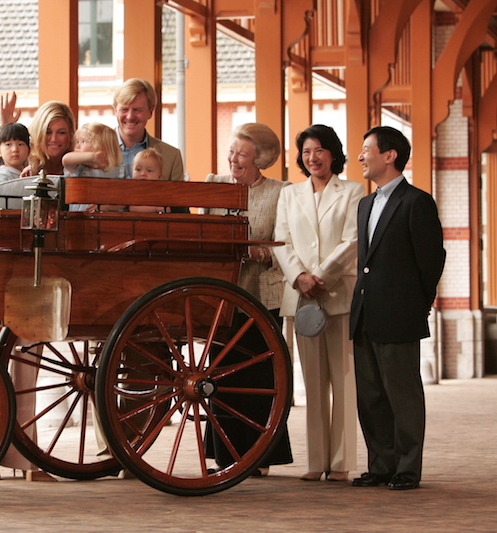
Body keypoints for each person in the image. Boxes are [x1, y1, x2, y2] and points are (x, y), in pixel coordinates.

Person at [350, 125, 445, 491]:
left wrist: (417, 305)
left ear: (389, 156)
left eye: (366, 149)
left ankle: (407, 469)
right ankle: (381, 466)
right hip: (365, 314)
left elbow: (431, 260)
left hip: (399, 314)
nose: (361, 157)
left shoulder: (417, 202)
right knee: (370, 396)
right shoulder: (365, 204)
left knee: (402, 395)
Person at [273, 124, 364, 482]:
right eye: (307, 152)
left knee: (343, 380)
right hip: (301, 298)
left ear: (333, 154)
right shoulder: (290, 194)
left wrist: (321, 276)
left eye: (320, 151)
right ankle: (315, 462)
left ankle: (341, 462)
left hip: (339, 295)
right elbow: (281, 241)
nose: (313, 158)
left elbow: (353, 241)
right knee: (312, 383)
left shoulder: (353, 191)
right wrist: (299, 277)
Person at [201, 122, 293, 475]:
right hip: (221, 298)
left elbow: (285, 242)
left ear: (261, 160)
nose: (233, 159)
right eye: (232, 151)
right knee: (220, 375)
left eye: (242, 154)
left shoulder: (280, 192)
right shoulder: (215, 186)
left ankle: (259, 457)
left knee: (261, 379)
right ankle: (225, 458)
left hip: (261, 296)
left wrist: (262, 254)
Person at [112, 78, 185, 181]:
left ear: (150, 112)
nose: (130, 116)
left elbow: (177, 197)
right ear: (115, 111)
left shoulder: (171, 157)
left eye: (137, 110)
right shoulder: (94, 150)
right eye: (124, 109)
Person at [63, 122, 124, 212]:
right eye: (77, 142)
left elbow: (122, 201)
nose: (78, 146)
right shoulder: (78, 168)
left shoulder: (115, 171)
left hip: (105, 219)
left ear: (102, 147)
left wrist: (104, 207)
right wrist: (93, 156)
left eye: (83, 142)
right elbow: (66, 159)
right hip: (79, 218)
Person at [25, 100, 76, 176]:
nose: (54, 139)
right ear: (38, 133)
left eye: (61, 132)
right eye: (47, 132)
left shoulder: (78, 165)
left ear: (71, 134)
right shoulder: (22, 159)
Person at [128, 148, 168, 213]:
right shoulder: (131, 191)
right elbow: (132, 208)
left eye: (149, 170)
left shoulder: (161, 192)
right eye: (138, 169)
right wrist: (156, 208)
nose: (143, 173)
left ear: (160, 176)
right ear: (131, 171)